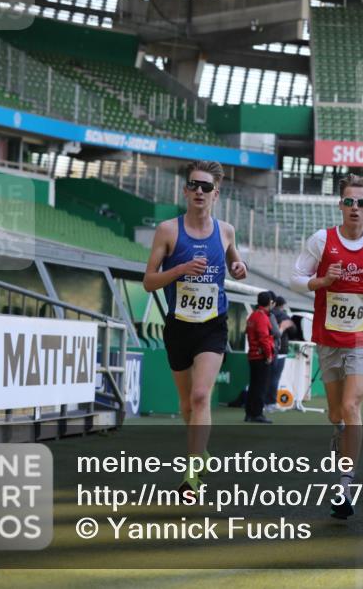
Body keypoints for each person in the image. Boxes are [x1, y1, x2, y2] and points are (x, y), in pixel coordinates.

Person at [290, 174, 363, 519]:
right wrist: (321, 281)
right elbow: (295, 278)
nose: (354, 208)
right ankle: (339, 433)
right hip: (329, 336)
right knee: (336, 412)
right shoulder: (321, 241)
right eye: (349, 202)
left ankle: (344, 485)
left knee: (352, 404)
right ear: (340, 204)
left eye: (361, 203)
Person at [143, 161, 247, 493]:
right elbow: (148, 281)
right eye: (194, 185)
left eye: (206, 187)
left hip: (212, 324)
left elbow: (234, 260)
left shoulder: (226, 230)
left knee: (202, 396)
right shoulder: (168, 230)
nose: (199, 191)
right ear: (186, 191)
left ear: (216, 194)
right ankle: (199, 450)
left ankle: (191, 477)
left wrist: (238, 266)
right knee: (187, 404)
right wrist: (182, 268)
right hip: (178, 324)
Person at [245, 292, 276, 424]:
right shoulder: (262, 317)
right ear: (270, 302)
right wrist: (268, 355)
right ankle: (257, 413)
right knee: (260, 386)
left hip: (253, 355)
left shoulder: (253, 315)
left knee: (254, 385)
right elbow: (264, 338)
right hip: (260, 356)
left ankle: (250, 413)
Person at [265, 295, 295, 412]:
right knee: (275, 378)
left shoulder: (267, 314)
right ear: (282, 305)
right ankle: (271, 403)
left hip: (267, 349)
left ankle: (263, 402)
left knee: (266, 377)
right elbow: (293, 330)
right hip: (280, 350)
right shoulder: (283, 316)